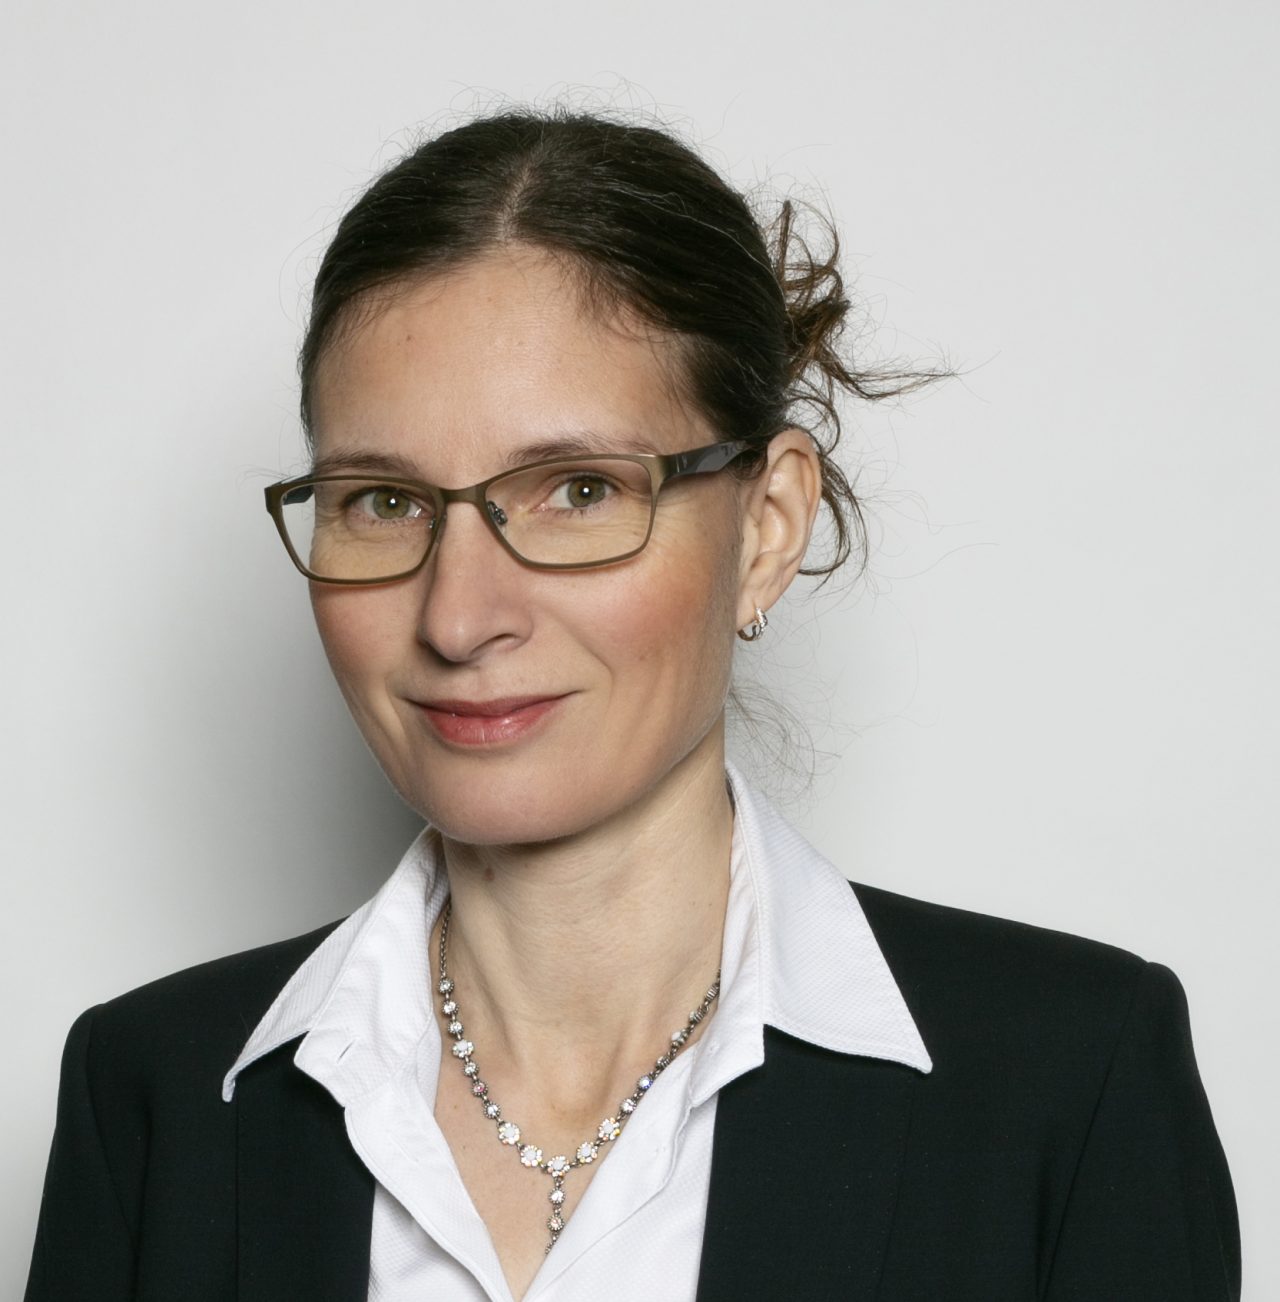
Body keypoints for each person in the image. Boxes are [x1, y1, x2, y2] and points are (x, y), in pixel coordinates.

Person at [25, 109, 1240, 1302]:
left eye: (577, 490)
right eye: (383, 503)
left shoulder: (1066, 1081)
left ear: (766, 526)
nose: (459, 617)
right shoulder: (152, 1095)